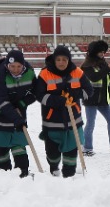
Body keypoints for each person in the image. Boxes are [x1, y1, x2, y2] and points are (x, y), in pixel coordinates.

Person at [36, 45, 90, 176]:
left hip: (73, 121)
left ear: (69, 60)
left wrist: (75, 94)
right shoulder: (44, 74)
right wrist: (60, 101)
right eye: (58, 59)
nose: (61, 62)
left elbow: (89, 90)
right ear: (54, 60)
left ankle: (69, 177)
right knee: (52, 154)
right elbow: (39, 95)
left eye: (64, 59)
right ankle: (54, 168)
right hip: (52, 122)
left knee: (71, 152)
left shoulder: (77, 72)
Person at [0, 48, 37, 176]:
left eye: (18, 66)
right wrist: (17, 119)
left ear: (23, 65)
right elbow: (1, 101)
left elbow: (36, 92)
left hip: (17, 115)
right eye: (12, 66)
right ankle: (5, 175)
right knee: (0, 149)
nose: (15, 69)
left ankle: (23, 173)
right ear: (7, 65)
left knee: (19, 146)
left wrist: (22, 104)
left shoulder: (29, 73)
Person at [80, 39, 110, 156]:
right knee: (90, 123)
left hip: (102, 99)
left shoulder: (102, 63)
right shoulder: (86, 66)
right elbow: (94, 78)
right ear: (93, 52)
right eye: (100, 52)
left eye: (103, 51)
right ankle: (86, 148)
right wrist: (108, 69)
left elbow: (106, 79)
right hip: (91, 99)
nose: (102, 54)